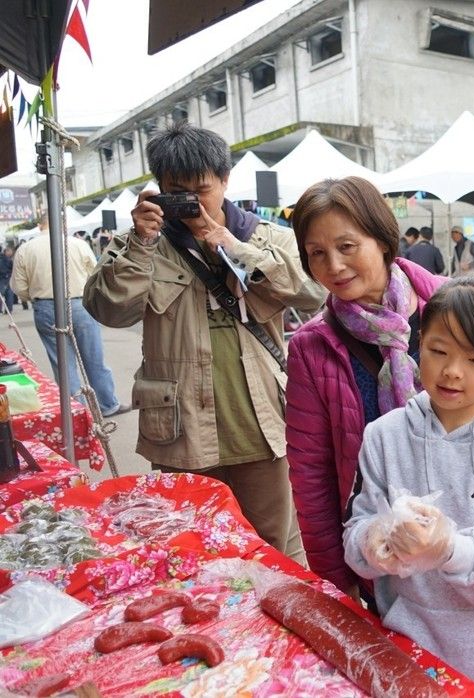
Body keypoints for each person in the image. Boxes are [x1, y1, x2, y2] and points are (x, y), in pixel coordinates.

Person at [83, 123, 325, 559]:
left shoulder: (263, 235)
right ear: (158, 189)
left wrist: (232, 245)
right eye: (177, 190)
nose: (191, 201)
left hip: (258, 419)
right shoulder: (141, 244)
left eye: (202, 189)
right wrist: (140, 243)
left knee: (270, 543)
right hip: (179, 426)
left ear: (226, 180)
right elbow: (108, 310)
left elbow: (314, 293)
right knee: (189, 546)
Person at [343, 277, 474, 697]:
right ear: (419, 342)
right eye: (439, 351)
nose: (453, 371)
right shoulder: (384, 435)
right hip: (407, 653)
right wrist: (377, 539)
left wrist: (449, 551)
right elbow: (354, 536)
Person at [284, 176, 445, 601]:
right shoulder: (311, 348)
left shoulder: (454, 310)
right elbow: (312, 476)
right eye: (316, 253)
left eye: (347, 246)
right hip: (378, 555)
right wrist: (337, 583)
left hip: (461, 547)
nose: (333, 266)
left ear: (383, 239)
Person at [12, 226, 130, 417]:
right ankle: (107, 404)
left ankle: (79, 414)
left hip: (45, 306)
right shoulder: (77, 244)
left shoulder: (26, 249)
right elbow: (96, 273)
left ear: (40, 226)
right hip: (79, 302)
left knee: (64, 365)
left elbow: (19, 287)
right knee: (94, 359)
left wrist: (36, 297)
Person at [0, 246, 16, 311]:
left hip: (3, 279)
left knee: (2, 294)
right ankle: (9, 309)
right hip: (8, 278)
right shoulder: (8, 260)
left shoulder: (6, 259)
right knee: (9, 295)